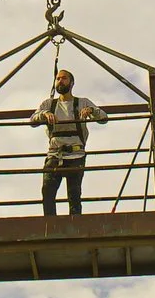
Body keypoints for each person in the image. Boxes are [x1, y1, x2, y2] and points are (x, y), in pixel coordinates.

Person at [29, 69, 107, 217]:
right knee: (47, 192)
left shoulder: (82, 102)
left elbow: (103, 118)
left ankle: (75, 225)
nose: (60, 81)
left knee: (74, 195)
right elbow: (32, 120)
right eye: (58, 79)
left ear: (71, 83)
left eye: (64, 78)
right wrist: (44, 114)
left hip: (76, 155)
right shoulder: (48, 104)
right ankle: (50, 225)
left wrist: (90, 110)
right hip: (55, 155)